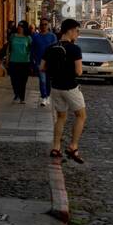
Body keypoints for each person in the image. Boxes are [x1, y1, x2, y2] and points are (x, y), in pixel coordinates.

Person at [42, 18, 87, 163]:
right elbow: (79, 71)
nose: (78, 34)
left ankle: (56, 148)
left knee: (61, 117)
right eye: (77, 31)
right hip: (70, 87)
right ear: (71, 31)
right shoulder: (75, 49)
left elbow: (41, 67)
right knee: (81, 115)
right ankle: (73, 147)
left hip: (55, 87)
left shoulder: (51, 47)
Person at [30, 18, 58, 108]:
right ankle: (44, 97)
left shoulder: (52, 36)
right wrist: (33, 60)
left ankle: (48, 95)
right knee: (42, 80)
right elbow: (32, 49)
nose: (44, 26)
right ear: (39, 26)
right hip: (39, 62)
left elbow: (56, 50)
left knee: (48, 81)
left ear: (48, 25)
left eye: (45, 24)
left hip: (50, 63)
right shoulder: (36, 37)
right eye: (42, 24)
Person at [5, 21, 32, 104]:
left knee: (23, 81)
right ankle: (16, 94)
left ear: (25, 28)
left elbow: (30, 50)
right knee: (14, 80)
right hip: (13, 61)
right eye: (19, 26)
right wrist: (7, 59)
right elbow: (9, 48)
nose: (19, 28)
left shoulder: (28, 38)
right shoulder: (13, 36)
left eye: (21, 27)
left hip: (25, 62)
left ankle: (22, 98)